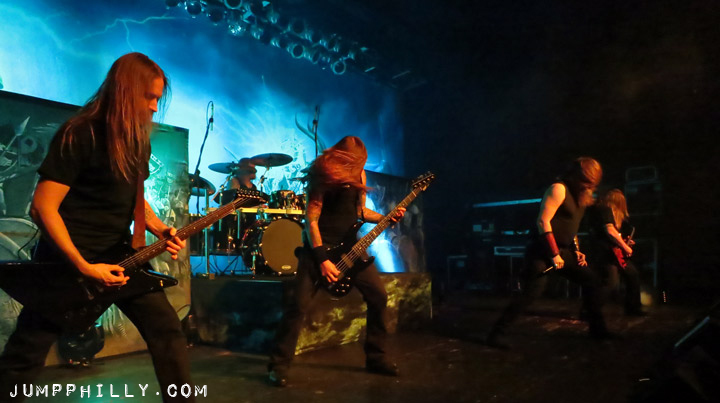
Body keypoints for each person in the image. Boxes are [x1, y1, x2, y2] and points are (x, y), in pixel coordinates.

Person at [0, 53, 194, 402]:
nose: (154, 107)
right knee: (26, 353)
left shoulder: (137, 140)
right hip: (66, 263)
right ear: (125, 91)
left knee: (167, 331)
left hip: (120, 257)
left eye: (157, 99)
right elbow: (43, 207)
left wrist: (159, 228)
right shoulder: (80, 133)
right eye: (148, 97)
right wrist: (83, 266)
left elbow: (134, 198)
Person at [267, 136, 405, 387]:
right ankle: (278, 365)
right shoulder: (322, 174)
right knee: (297, 306)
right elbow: (311, 220)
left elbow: (360, 212)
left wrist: (385, 217)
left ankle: (376, 357)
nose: (359, 167)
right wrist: (322, 259)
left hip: (350, 247)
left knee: (378, 296)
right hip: (318, 249)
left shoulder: (360, 174)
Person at [486, 157, 611, 349]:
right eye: (586, 182)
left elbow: (571, 227)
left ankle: (597, 330)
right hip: (542, 250)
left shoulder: (581, 196)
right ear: (576, 176)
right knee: (531, 293)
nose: (590, 186)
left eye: (592, 183)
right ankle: (496, 334)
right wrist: (553, 254)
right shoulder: (558, 189)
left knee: (592, 280)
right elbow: (543, 221)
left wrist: (576, 251)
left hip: (563, 251)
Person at [586, 189, 646, 316]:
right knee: (610, 283)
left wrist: (624, 242)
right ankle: (589, 310)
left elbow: (613, 234)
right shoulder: (604, 210)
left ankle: (633, 308)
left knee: (632, 274)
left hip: (613, 253)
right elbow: (610, 231)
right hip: (605, 253)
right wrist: (625, 247)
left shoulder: (608, 214)